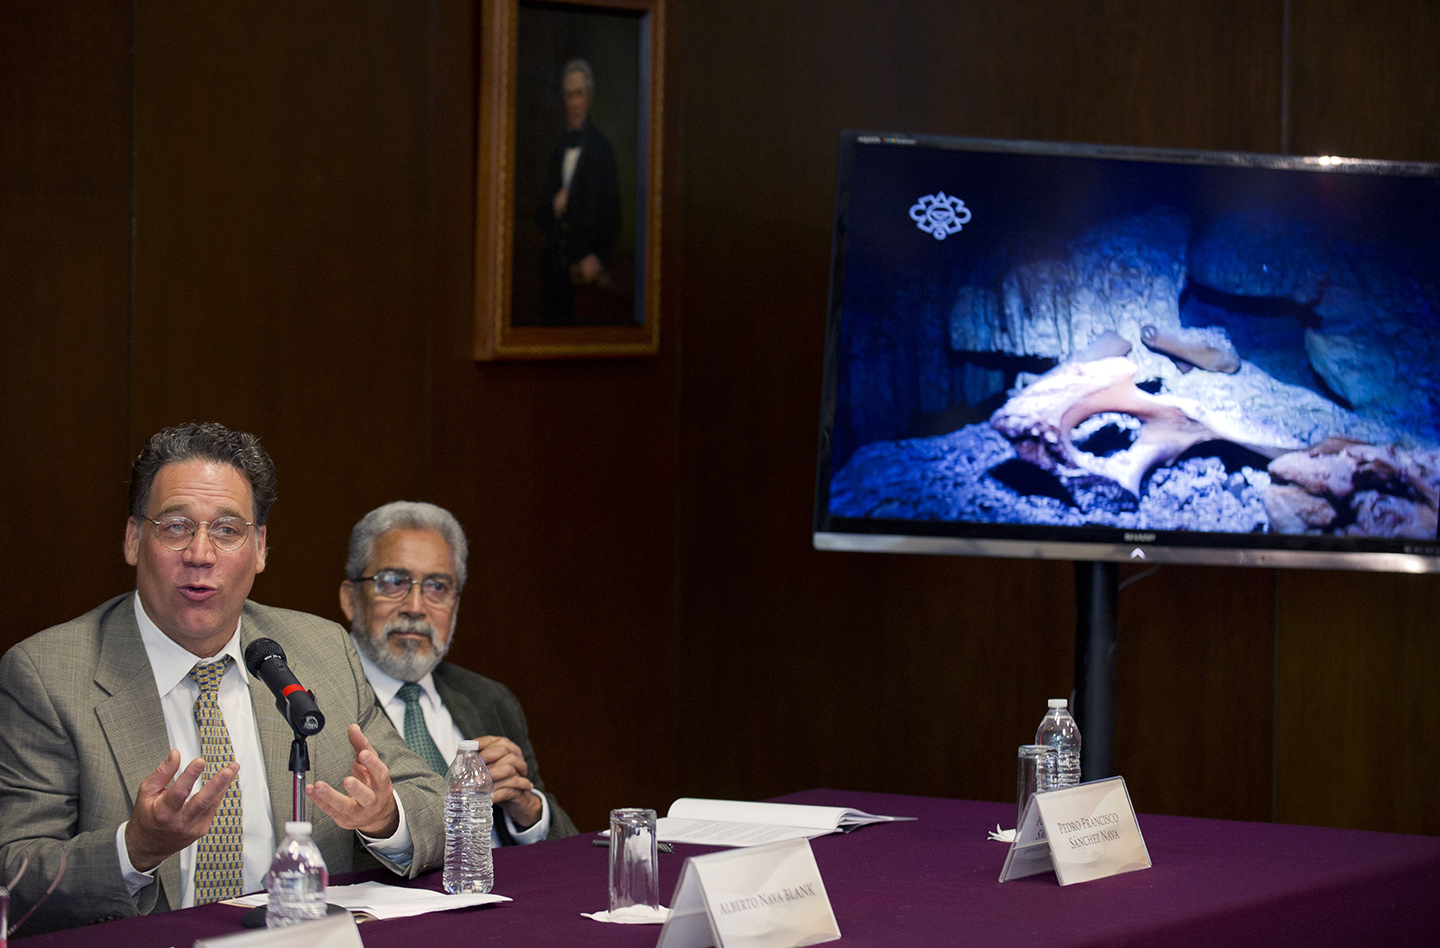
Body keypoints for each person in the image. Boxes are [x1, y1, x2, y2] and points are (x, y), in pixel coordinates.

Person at [0, 424, 446, 935]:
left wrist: (386, 818)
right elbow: (13, 874)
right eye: (175, 527)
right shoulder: (48, 674)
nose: (200, 553)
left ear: (259, 549)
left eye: (227, 530)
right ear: (132, 540)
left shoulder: (320, 651)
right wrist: (134, 847)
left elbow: (431, 804)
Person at [339, 501, 577, 845]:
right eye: (393, 582)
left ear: (455, 606)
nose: (416, 607)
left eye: (437, 587)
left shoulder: (490, 700)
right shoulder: (318, 701)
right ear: (351, 599)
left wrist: (526, 810)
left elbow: (565, 854)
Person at [537, 57, 622, 324]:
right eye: (569, 95)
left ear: (589, 98)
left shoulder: (603, 151)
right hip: (553, 274)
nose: (573, 102)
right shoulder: (557, 149)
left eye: (579, 94)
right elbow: (541, 215)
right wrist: (553, 205)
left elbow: (613, 215)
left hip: (584, 279)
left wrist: (597, 258)